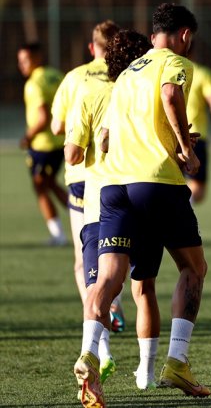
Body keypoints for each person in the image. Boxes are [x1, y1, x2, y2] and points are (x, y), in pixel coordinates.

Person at [72, 3, 210, 408]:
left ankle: (89, 354)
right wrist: (186, 149)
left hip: (112, 186)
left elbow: (106, 139)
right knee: (193, 267)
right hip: (156, 182)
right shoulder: (175, 62)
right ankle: (177, 361)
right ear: (184, 35)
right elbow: (170, 95)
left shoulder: (125, 74)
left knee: (109, 278)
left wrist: (168, 138)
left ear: (153, 35)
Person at [64, 29, 155, 390]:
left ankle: (96, 353)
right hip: (144, 191)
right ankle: (147, 371)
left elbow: (75, 151)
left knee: (96, 281)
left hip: (99, 193)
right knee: (143, 283)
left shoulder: (86, 90)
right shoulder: (147, 88)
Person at [51, 20, 127, 332]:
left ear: (91, 47)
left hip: (80, 175)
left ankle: (96, 321)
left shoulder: (73, 78)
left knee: (84, 256)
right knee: (122, 249)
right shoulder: (125, 77)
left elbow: (57, 128)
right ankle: (114, 305)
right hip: (118, 173)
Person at [17, 42, 68, 246]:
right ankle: (77, 219)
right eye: (20, 61)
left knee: (40, 187)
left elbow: (41, 117)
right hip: (62, 141)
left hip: (44, 144)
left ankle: (59, 234)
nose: (22, 65)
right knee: (48, 183)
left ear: (37, 57)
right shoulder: (56, 75)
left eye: (25, 60)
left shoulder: (34, 83)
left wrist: (27, 137)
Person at [185, 44, 211, 204]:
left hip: (166, 135)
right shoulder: (201, 74)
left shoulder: (163, 70)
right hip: (195, 136)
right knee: (197, 191)